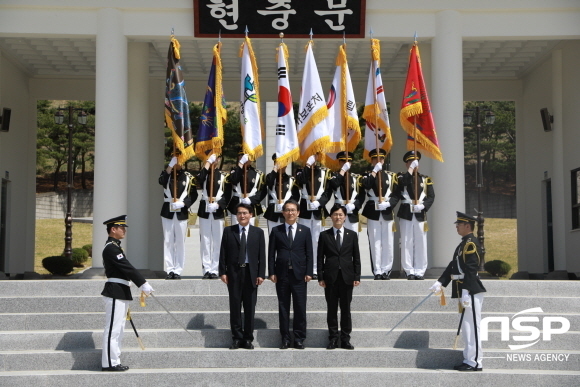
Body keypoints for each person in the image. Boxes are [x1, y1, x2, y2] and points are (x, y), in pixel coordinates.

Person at [429, 212, 486, 371]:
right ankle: (468, 359)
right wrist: (441, 282)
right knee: (467, 327)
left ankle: (475, 362)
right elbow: (453, 265)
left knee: (473, 327)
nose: (456, 227)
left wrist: (467, 290)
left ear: (468, 226)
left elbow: (471, 268)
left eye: (459, 225)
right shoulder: (463, 243)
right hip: (463, 289)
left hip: (470, 289)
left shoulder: (471, 243)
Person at [100, 215, 154, 372]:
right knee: (113, 329)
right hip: (115, 290)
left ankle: (114, 360)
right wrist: (143, 283)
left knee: (119, 329)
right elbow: (127, 267)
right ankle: (109, 363)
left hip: (121, 290)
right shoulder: (111, 248)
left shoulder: (115, 246)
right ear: (113, 229)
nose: (124, 230)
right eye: (121, 227)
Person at [219, 203, 266, 350]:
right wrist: (222, 272)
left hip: (251, 274)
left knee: (250, 307)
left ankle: (247, 338)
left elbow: (261, 256)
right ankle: (236, 338)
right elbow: (223, 254)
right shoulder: (228, 231)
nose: (242, 216)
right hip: (234, 273)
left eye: (245, 213)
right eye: (239, 213)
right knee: (235, 306)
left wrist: (261, 274)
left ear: (251, 214)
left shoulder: (258, 232)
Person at [268, 199, 313, 349]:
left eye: (293, 210)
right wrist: (271, 272)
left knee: (300, 307)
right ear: (283, 212)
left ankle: (299, 338)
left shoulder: (305, 231)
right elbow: (271, 253)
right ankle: (285, 338)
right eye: (287, 210)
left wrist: (309, 272)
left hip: (299, 275)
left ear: (298, 212)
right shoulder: (276, 230)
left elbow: (309, 253)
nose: (290, 213)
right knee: (283, 307)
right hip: (282, 275)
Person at [317, 204, 361, 350]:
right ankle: (333, 338)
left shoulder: (352, 235)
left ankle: (345, 339)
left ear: (345, 217)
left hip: (347, 277)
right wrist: (320, 277)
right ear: (331, 217)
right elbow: (320, 257)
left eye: (340, 214)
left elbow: (356, 257)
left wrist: (357, 276)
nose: (338, 217)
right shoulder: (324, 235)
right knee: (331, 309)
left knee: (346, 309)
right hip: (330, 278)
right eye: (335, 214)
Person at [395, 150, 435, 280]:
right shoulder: (401, 176)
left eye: (416, 162)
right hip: (406, 212)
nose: (414, 164)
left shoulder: (425, 178)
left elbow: (431, 196)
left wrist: (423, 206)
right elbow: (404, 183)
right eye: (411, 162)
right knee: (407, 241)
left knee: (420, 242)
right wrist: (411, 170)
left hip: (419, 213)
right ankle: (409, 270)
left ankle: (419, 270)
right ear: (406, 164)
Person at [361, 149, 399, 280]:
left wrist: (389, 204)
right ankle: (377, 270)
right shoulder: (367, 175)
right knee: (375, 242)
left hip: (387, 211)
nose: (379, 161)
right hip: (373, 212)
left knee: (388, 242)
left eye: (381, 159)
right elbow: (366, 185)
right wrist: (374, 171)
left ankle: (386, 269)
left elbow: (396, 194)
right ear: (372, 161)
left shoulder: (391, 176)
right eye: (376, 159)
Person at [159, 155, 198, 279]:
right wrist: (170, 167)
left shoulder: (189, 177)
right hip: (167, 211)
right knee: (168, 241)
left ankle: (178, 270)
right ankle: (170, 269)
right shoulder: (166, 174)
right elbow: (161, 181)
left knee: (180, 241)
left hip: (181, 211)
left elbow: (194, 194)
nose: (177, 163)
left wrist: (184, 203)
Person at [296, 153, 331, 279]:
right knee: (303, 240)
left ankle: (315, 268)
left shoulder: (325, 172)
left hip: (318, 210)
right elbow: (301, 181)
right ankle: (305, 267)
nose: (314, 159)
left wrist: (319, 202)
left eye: (316, 157)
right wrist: (307, 165)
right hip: (305, 209)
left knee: (317, 240)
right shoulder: (300, 171)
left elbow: (328, 192)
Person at [198, 153, 231, 279]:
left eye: (216, 158)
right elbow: (199, 180)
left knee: (218, 240)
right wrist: (207, 164)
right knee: (205, 240)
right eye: (212, 158)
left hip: (217, 209)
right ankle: (206, 268)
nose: (214, 160)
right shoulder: (204, 173)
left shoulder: (224, 176)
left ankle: (215, 269)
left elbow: (228, 194)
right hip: (205, 208)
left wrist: (219, 205)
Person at [227, 149, 266, 226]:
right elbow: (234, 180)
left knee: (252, 232)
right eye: (241, 157)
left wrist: (251, 200)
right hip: (237, 203)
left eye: (247, 157)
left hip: (252, 205)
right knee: (236, 231)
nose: (245, 159)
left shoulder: (258, 174)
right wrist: (241, 164)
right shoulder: (234, 171)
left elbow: (263, 191)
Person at [328, 151, 365, 233]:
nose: (345, 164)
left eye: (348, 162)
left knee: (353, 238)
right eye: (343, 161)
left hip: (352, 212)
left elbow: (361, 196)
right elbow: (335, 184)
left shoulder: (357, 178)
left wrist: (354, 206)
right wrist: (343, 170)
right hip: (339, 211)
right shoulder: (334, 176)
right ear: (339, 162)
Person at [264, 153, 299, 233]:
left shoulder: (291, 180)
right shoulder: (270, 177)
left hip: (287, 212)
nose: (281, 166)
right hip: (273, 212)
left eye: (282, 163)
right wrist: (275, 169)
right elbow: (269, 183)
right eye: (278, 163)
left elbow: (296, 197)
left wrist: (288, 205)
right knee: (273, 236)